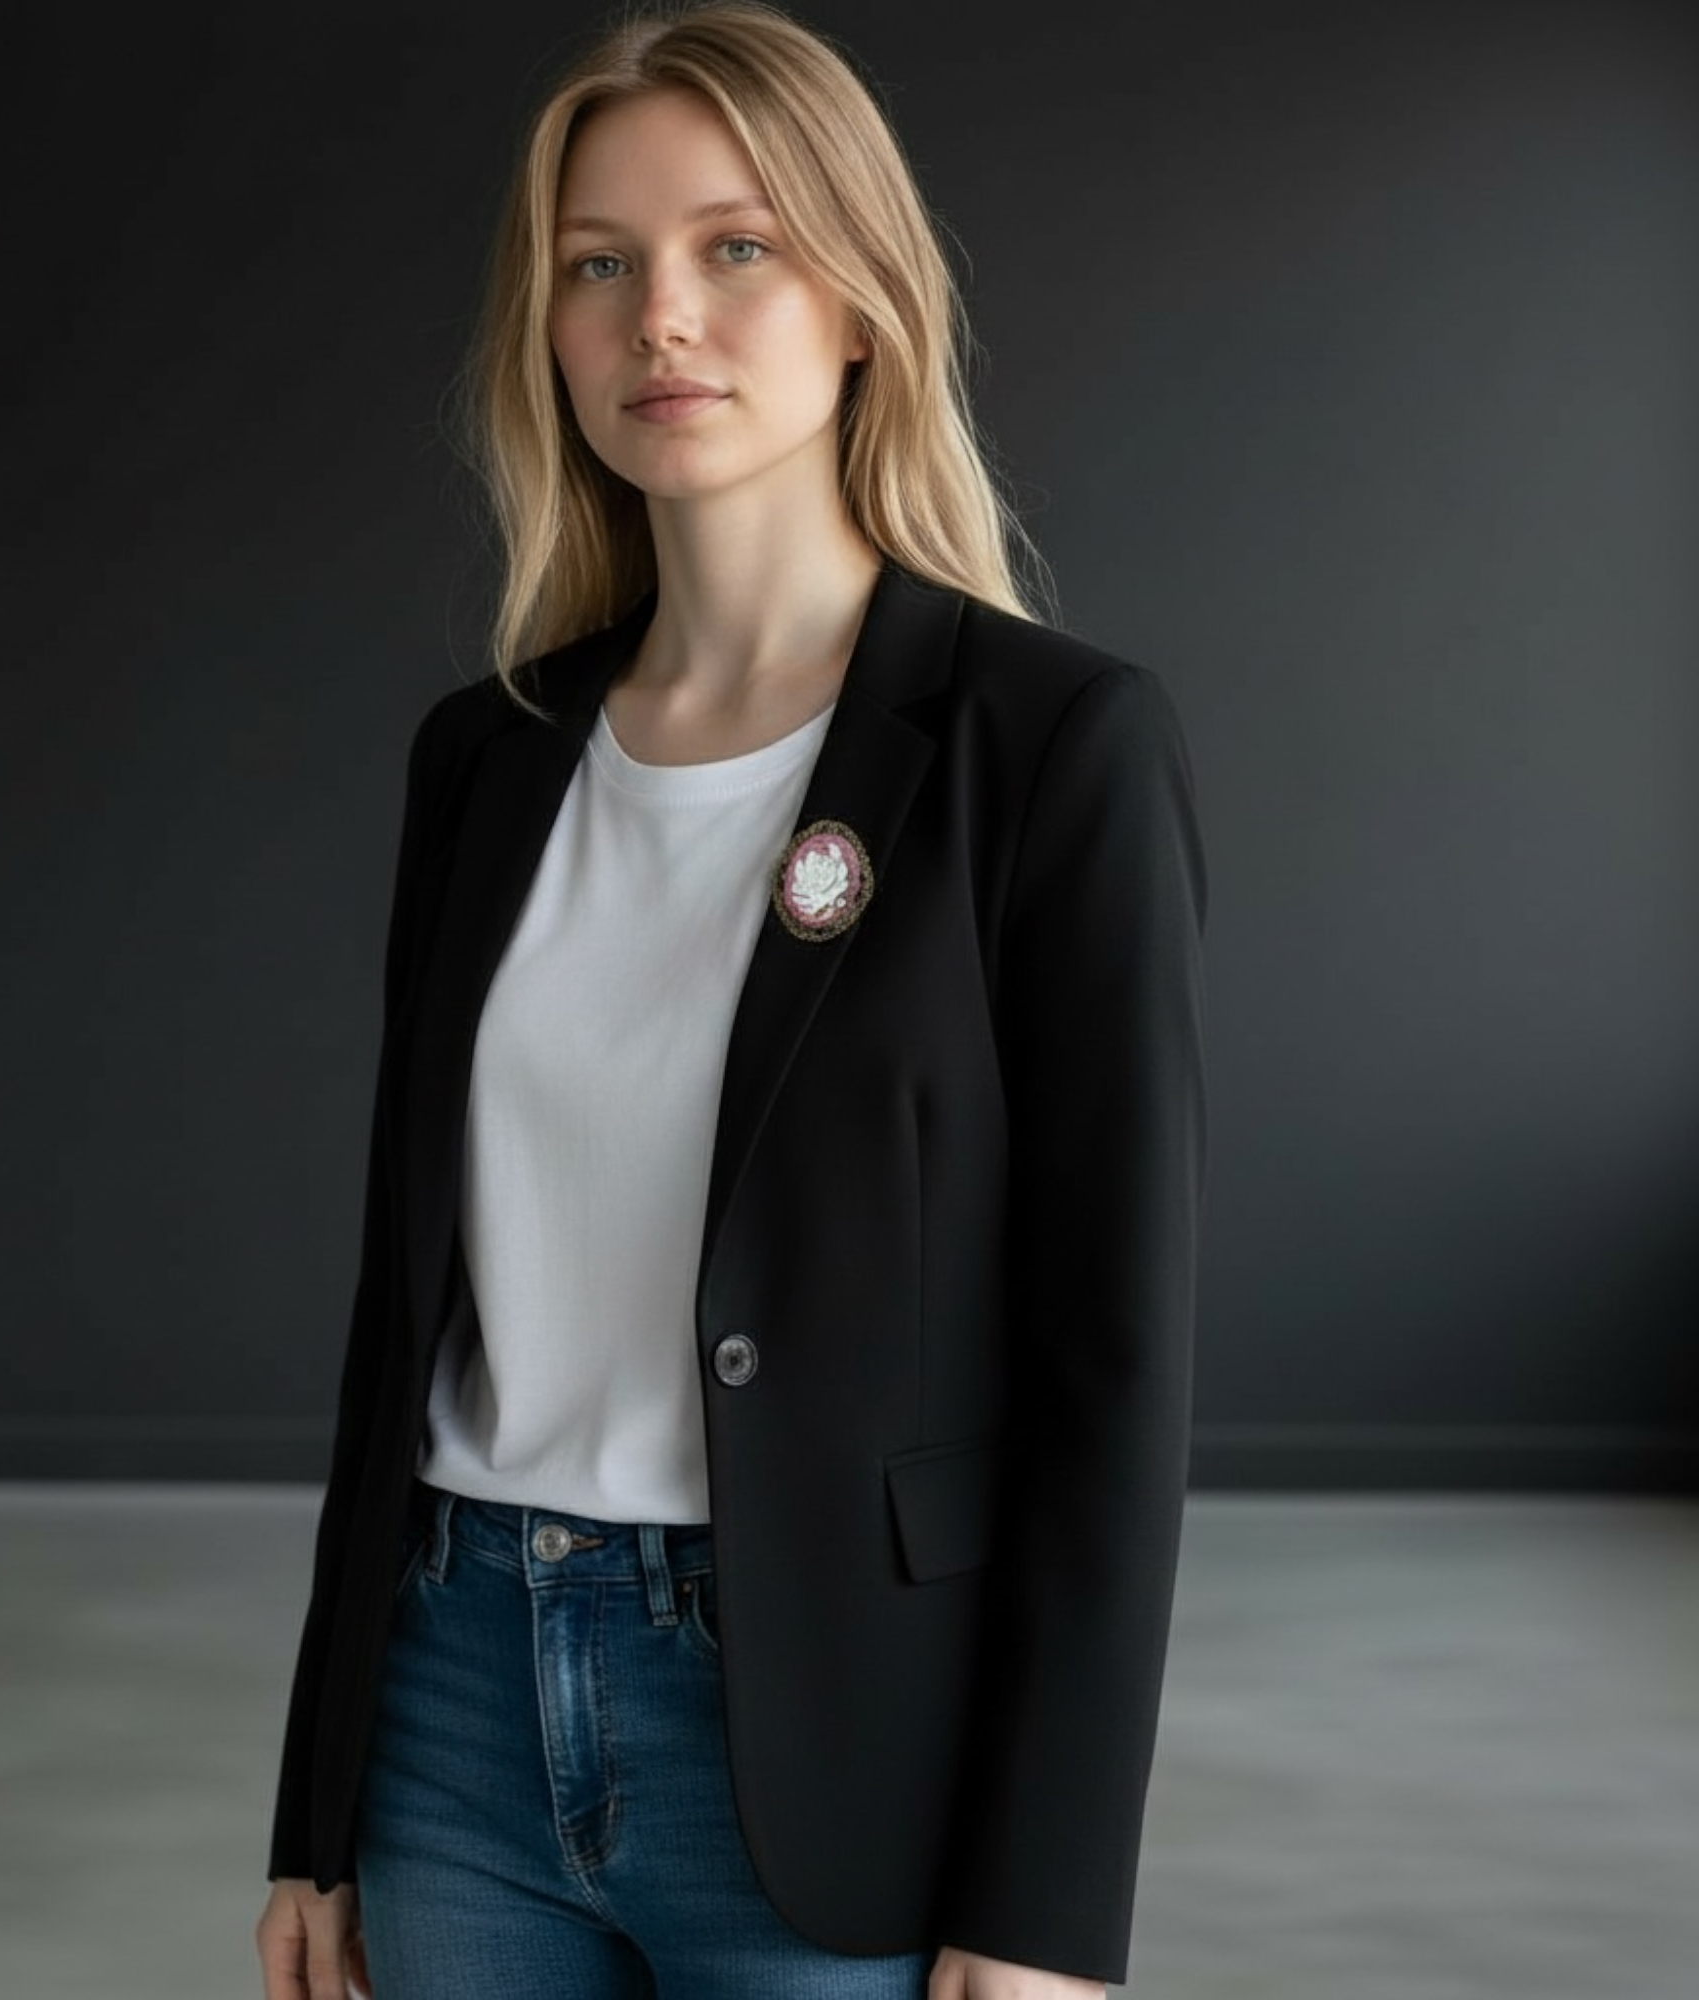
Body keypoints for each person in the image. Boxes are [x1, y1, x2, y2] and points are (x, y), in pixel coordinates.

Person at [255, 4, 1205, 1996]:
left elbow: (1113, 1369)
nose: (658, 317)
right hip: (453, 1714)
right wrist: (314, 1806)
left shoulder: (1046, 746)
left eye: (735, 247)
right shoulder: (485, 760)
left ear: (862, 302)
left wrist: (1044, 1904)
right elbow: (397, 1309)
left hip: (832, 1741)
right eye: (596, 264)